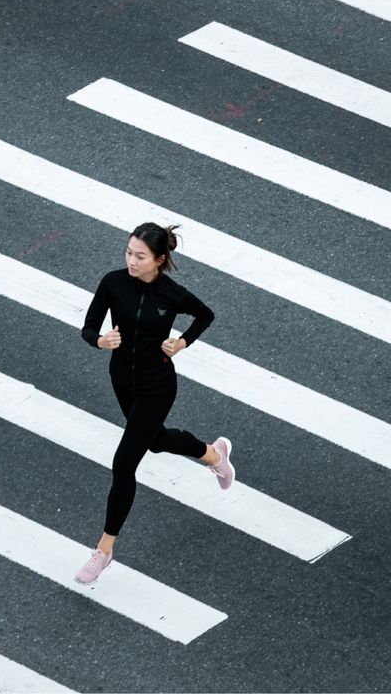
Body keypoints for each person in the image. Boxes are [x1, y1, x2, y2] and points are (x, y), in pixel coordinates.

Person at [74, 222, 235, 586]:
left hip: (158, 385)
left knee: (124, 462)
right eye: (129, 252)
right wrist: (100, 341)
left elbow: (205, 315)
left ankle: (104, 550)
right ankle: (213, 455)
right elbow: (88, 327)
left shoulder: (172, 294)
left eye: (140, 256)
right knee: (157, 442)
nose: (131, 260)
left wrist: (182, 343)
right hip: (122, 382)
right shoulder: (112, 283)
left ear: (159, 260)